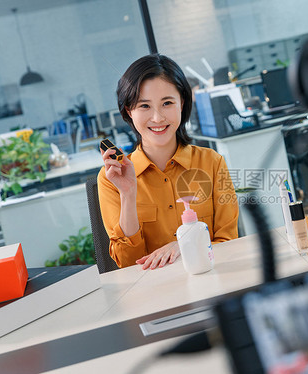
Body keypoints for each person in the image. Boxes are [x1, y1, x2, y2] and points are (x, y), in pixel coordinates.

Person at [98, 54, 239, 269]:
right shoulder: (111, 179)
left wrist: (183, 246)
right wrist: (128, 194)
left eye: (167, 103)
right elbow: (127, 264)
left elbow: (229, 244)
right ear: (129, 111)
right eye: (144, 106)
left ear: (182, 103)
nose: (157, 118)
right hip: (155, 294)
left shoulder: (212, 163)